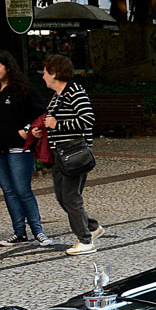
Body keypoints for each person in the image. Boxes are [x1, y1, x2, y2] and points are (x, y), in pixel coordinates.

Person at [0, 50, 51, 247]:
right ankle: (19, 232)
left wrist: (27, 130)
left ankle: (38, 231)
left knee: (22, 189)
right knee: (8, 190)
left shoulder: (23, 90)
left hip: (19, 149)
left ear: (7, 68)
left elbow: (41, 113)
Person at [41, 54, 103, 256]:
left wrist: (57, 125)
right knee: (62, 197)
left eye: (45, 72)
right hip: (60, 154)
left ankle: (85, 241)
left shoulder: (74, 91)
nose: (42, 76)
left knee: (70, 197)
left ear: (54, 73)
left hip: (74, 153)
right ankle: (92, 227)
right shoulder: (58, 95)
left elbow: (88, 119)